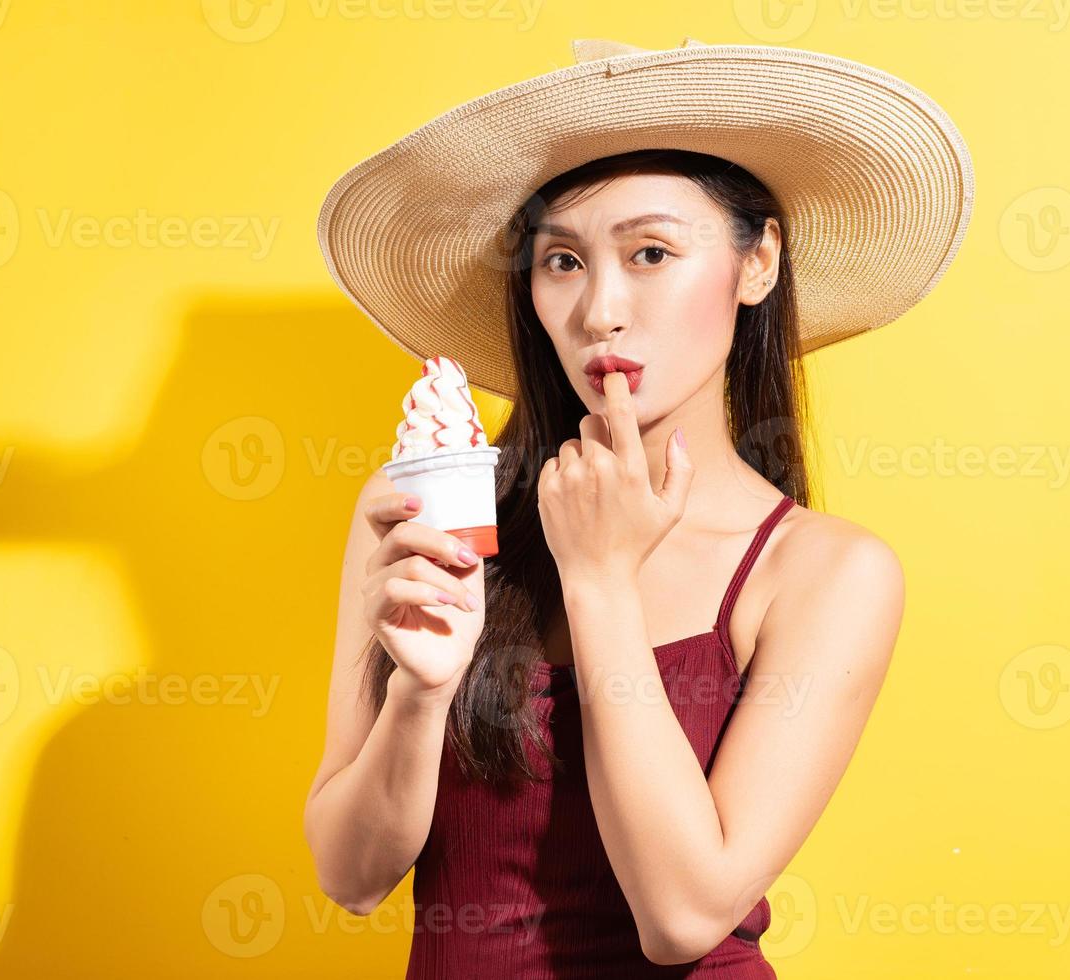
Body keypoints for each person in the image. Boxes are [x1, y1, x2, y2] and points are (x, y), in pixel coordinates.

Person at [304, 37, 973, 977]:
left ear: (757, 262)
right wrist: (418, 697)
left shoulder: (825, 572)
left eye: (650, 252)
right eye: (563, 262)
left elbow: (684, 915)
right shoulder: (427, 514)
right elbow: (352, 876)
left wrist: (600, 582)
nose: (599, 310)